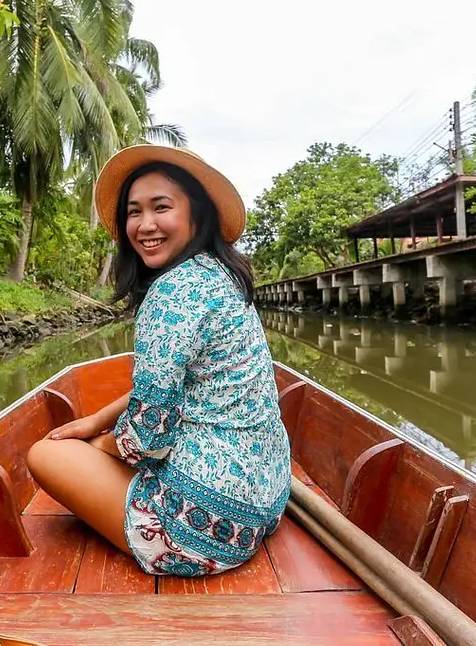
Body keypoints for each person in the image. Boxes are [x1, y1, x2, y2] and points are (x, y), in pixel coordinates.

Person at [26, 145, 291, 577]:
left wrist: (98, 447)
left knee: (45, 455)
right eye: (134, 212)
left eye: (161, 207)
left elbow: (148, 439)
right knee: (100, 445)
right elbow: (176, 388)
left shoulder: (170, 294)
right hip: (268, 496)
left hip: (209, 533)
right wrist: (95, 421)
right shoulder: (221, 274)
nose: (145, 225)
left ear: (196, 215)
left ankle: (164, 537)